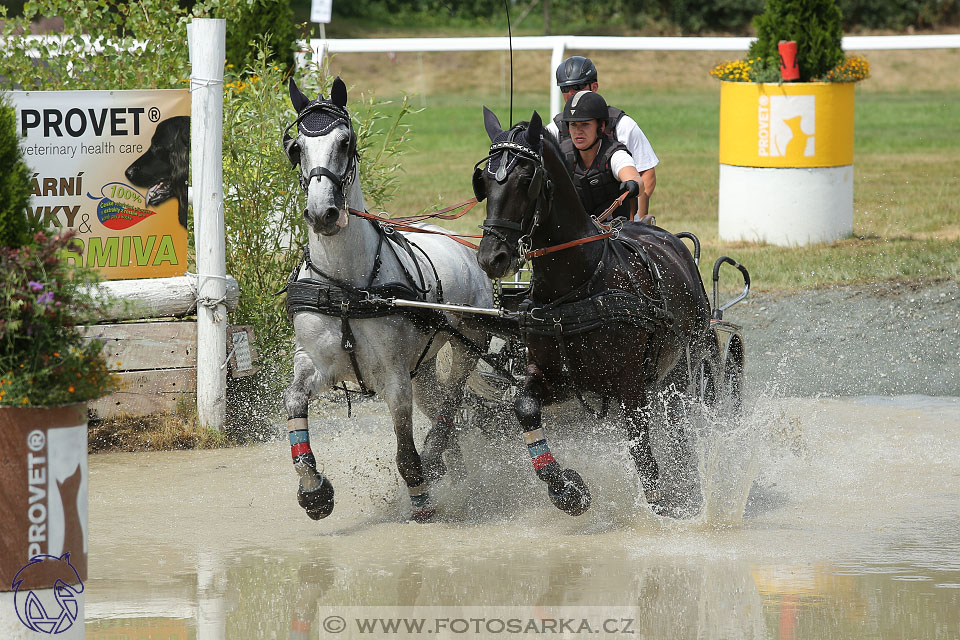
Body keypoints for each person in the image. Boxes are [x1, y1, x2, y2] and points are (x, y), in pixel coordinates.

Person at [546, 55, 658, 211]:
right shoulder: (554, 130)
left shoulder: (623, 126)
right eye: (565, 89)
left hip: (616, 222)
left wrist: (635, 218)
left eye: (578, 87)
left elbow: (646, 174)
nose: (571, 94)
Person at [559, 90, 648, 222]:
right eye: (573, 125)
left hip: (619, 231)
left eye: (585, 124)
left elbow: (637, 180)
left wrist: (633, 184)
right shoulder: (561, 155)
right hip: (578, 233)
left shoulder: (615, 154)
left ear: (601, 126)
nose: (578, 131)